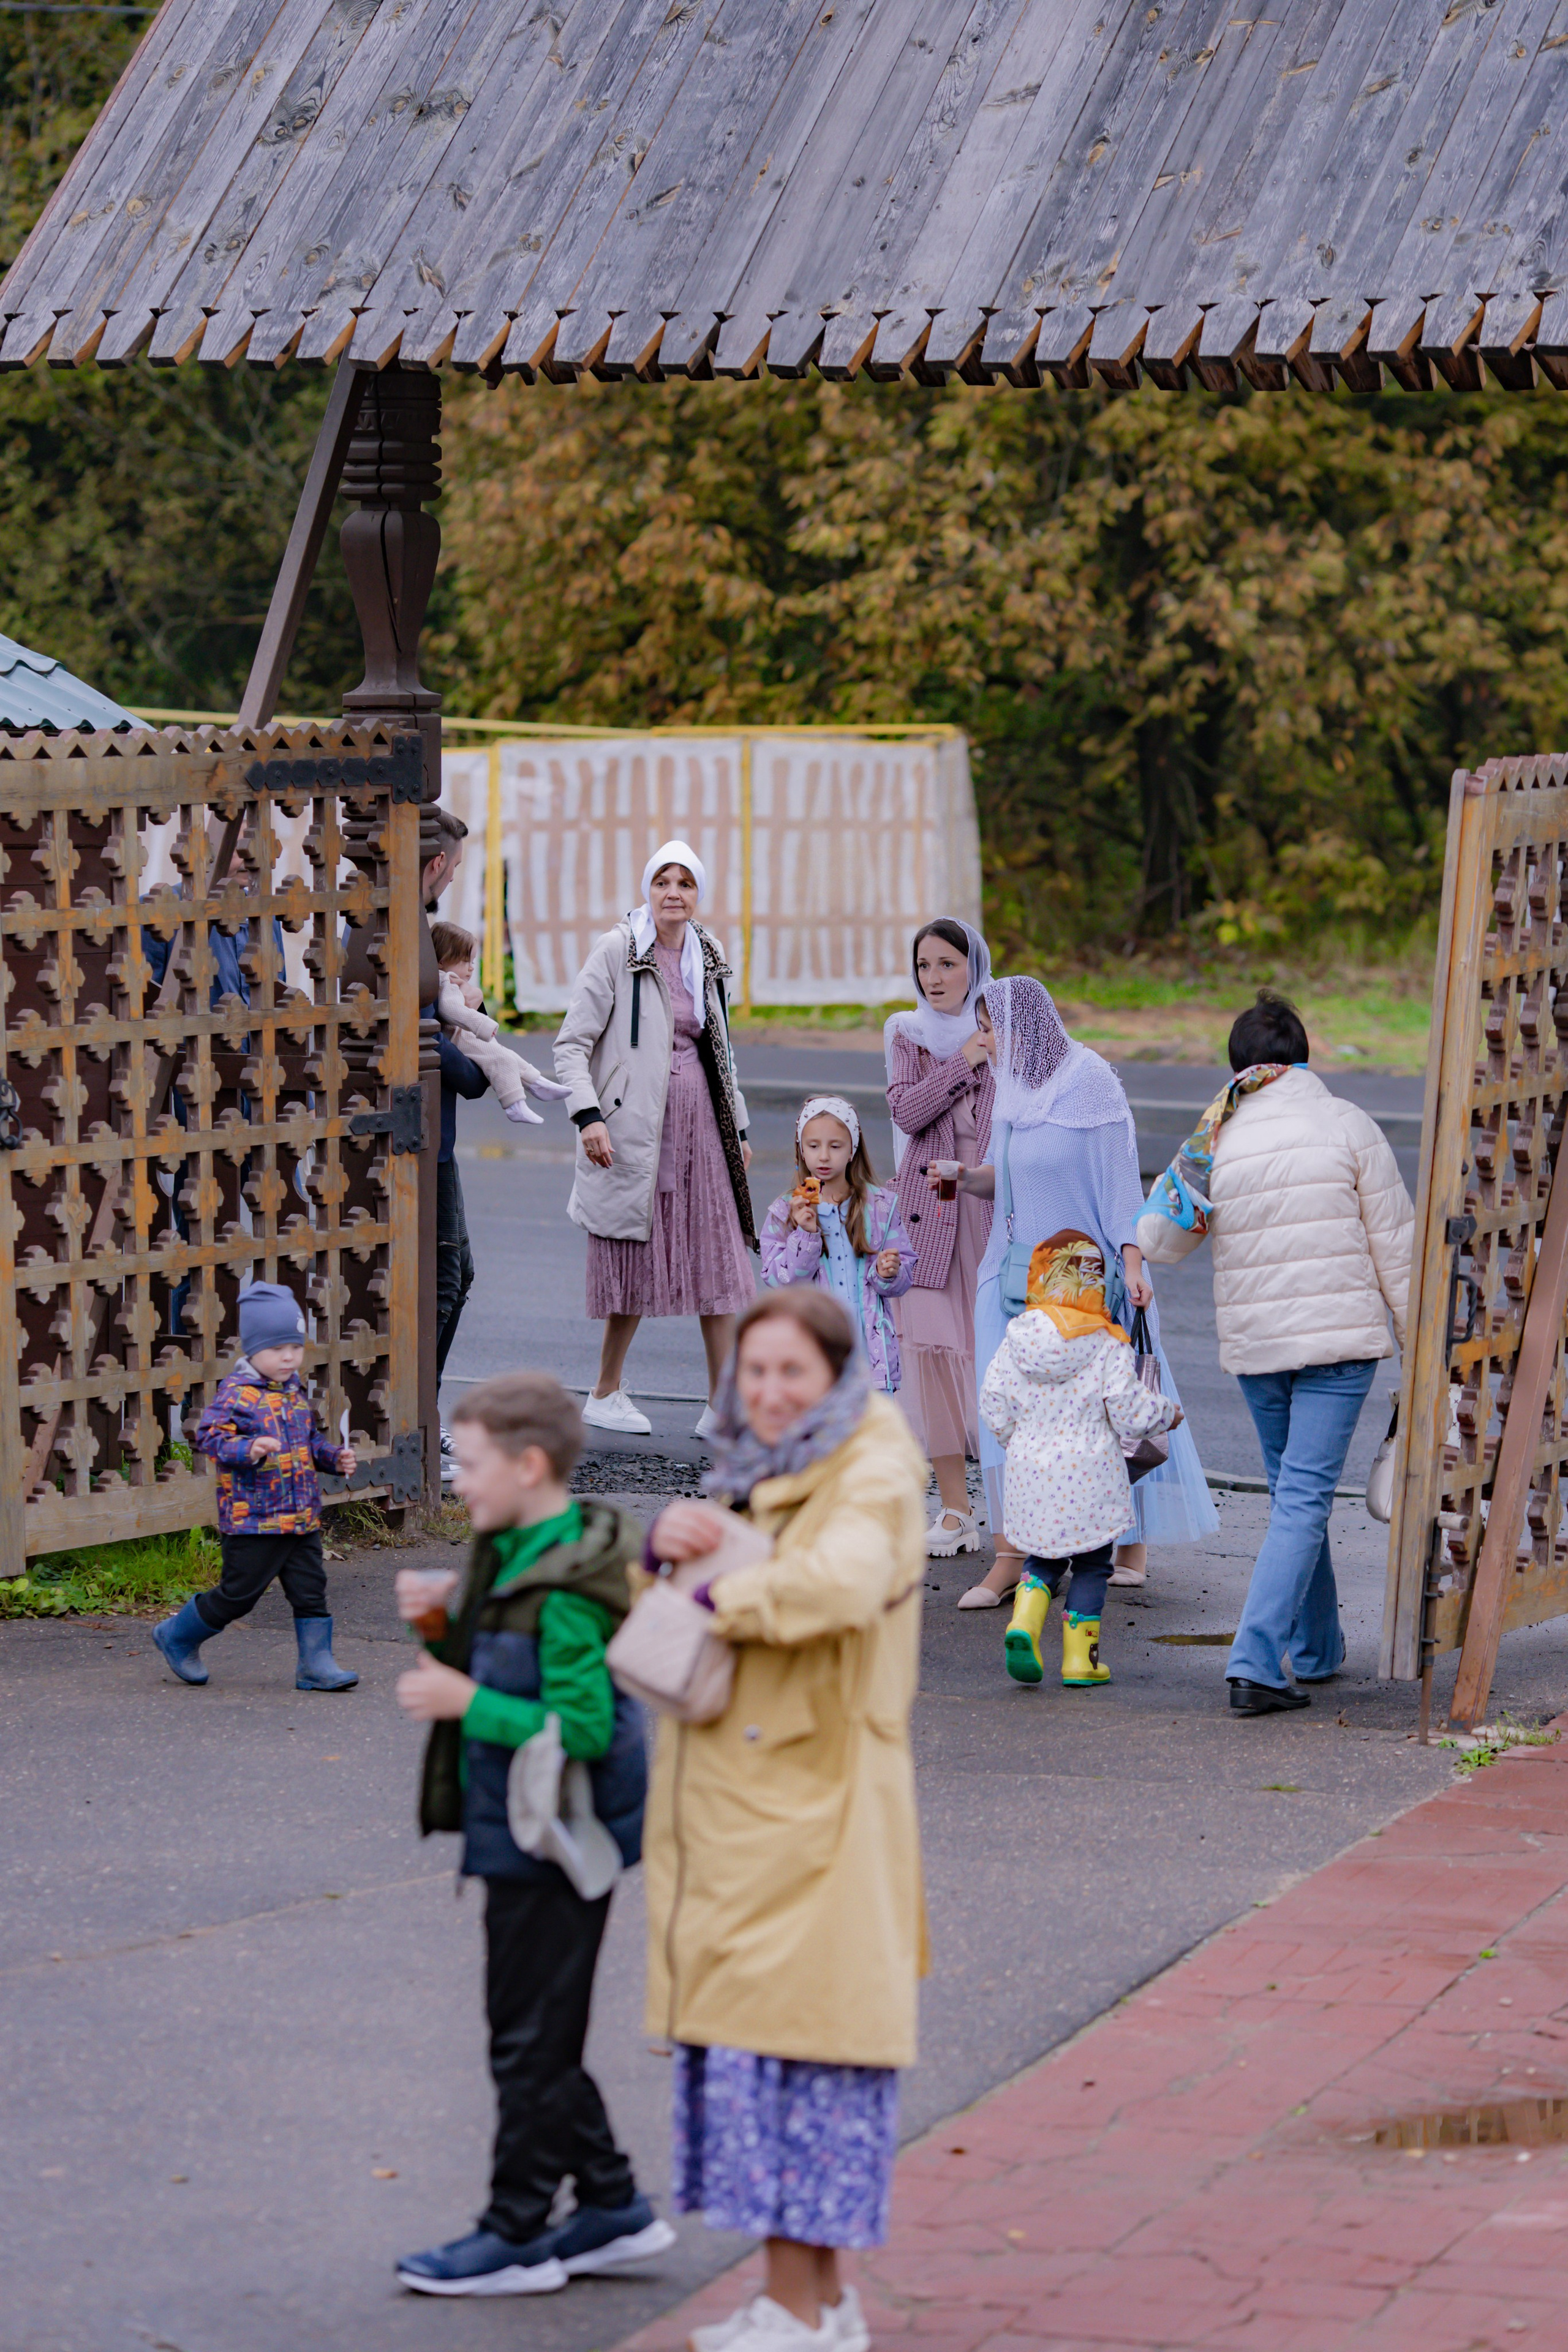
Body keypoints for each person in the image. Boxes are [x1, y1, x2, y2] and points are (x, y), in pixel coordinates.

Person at [645, 1289, 927, 2352]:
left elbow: (846, 1581)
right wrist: (667, 1549)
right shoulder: (770, 1465)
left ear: (838, 1377)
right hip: (755, 1819)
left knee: (805, 2073)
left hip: (817, 1819)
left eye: (791, 1375)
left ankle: (807, 2315)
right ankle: (803, 2303)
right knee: (768, 2073)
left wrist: (720, 1598)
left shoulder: (874, 1463)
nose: (767, 1394)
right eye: (753, 1373)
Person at [392, 1371, 674, 2296]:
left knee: (527, 2041)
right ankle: (611, 2204)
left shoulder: (561, 1586)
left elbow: (583, 1730)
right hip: (522, 1833)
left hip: (553, 1843)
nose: (458, 1480)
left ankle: (517, 2232)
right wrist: (443, 1626)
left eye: (468, 1464)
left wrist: (465, 1700)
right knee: (534, 2033)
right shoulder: (517, 1544)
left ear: (530, 1463)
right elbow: (498, 1663)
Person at [1137, 989, 1413, 1716]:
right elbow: (1398, 1250)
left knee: (1297, 1496)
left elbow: (1160, 1241)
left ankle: (1316, 1651)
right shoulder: (1347, 1123)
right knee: (1302, 1499)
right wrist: (1423, 1349)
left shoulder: (1214, 1137)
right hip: (1339, 1347)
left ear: (1238, 1068)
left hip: (1259, 1353)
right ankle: (1257, 1662)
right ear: (1303, 1059)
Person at [941, 976, 1213, 1608]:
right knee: (1005, 1412)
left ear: (1024, 1026)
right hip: (1007, 1275)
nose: (982, 1042)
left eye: (990, 1027)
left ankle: (1128, 1538)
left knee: (1107, 1407)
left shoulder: (1089, 1083)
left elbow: (1121, 1190)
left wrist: (1135, 1267)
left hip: (1080, 1278)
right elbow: (1008, 1181)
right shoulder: (1011, 1092)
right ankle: (1013, 1553)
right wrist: (965, 1177)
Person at [554, 838, 756, 1443]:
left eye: (686, 883)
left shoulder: (708, 952)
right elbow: (571, 1045)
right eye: (663, 882)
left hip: (703, 1123)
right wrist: (588, 1116)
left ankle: (721, 1404)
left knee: (718, 1260)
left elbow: (721, 1051)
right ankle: (605, 1391)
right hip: (635, 1125)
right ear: (648, 889)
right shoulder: (618, 949)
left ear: (698, 895)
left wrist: (739, 1126)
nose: (674, 893)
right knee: (636, 1260)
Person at [980, 1232, 1182, 1689]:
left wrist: (1020, 1443)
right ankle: (1080, 1661)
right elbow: (1130, 1412)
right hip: (1091, 1480)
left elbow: (993, 1404)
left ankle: (1025, 1623)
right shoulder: (1107, 1344)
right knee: (1092, 1565)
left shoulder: (1016, 1342)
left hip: (1032, 1475)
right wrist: (1167, 1414)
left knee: (1043, 1560)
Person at [153, 1282, 359, 1691]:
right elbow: (210, 1438)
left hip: (301, 1518)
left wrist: (333, 1457)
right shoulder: (236, 1395)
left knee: (310, 1590)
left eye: (296, 1348)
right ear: (252, 1349)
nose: (289, 1357)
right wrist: (249, 1448)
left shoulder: (293, 1390)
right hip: (254, 1522)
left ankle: (316, 1666)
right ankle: (177, 1635)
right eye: (277, 1349)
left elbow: (308, 1440)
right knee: (239, 1595)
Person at [884, 919, 995, 1558]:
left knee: (991, 1355)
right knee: (930, 1356)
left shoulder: (1001, 1026)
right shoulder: (907, 1034)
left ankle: (1011, 1508)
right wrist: (964, 1061)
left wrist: (986, 1051)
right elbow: (906, 1110)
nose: (934, 978)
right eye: (924, 965)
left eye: (948, 964)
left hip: (984, 1207)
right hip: (926, 1210)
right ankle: (955, 1509)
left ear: (972, 966)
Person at [760, 1096, 915, 1394]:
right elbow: (781, 1280)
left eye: (835, 1146)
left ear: (852, 1150)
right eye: (814, 1146)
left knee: (867, 1437)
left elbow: (901, 1276)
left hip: (867, 1356)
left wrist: (888, 1273)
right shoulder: (785, 1210)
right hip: (812, 1352)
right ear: (801, 1150)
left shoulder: (880, 1206)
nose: (824, 1157)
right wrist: (805, 1235)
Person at [430, 919, 570, 1127]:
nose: (471, 968)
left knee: (508, 1056)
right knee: (500, 1060)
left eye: (473, 962)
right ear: (442, 961)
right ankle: (514, 1104)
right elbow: (452, 1010)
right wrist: (484, 1024)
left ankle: (536, 1082)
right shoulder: (446, 981)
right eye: (464, 961)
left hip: (461, 1035)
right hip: (460, 1037)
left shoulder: (448, 980)